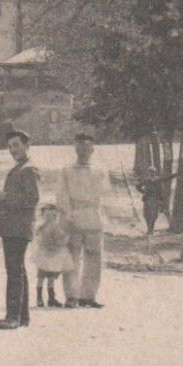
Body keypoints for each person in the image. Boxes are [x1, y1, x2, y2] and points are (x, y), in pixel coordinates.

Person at [0, 130, 41, 329]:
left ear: (27, 145)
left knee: (14, 271)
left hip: (19, 227)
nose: (13, 150)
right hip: (13, 227)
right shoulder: (20, 167)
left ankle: (13, 317)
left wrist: (4, 197)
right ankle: (22, 316)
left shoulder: (29, 169)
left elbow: (32, 199)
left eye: (17, 145)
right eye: (10, 146)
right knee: (17, 269)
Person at [58, 132, 111, 309]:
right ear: (75, 149)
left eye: (86, 148)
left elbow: (105, 193)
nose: (82, 152)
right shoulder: (66, 170)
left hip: (94, 217)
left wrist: (98, 211)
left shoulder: (100, 170)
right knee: (72, 257)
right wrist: (68, 215)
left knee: (94, 258)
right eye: (79, 148)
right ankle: (71, 296)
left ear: (92, 149)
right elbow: (61, 195)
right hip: (74, 217)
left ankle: (88, 296)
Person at [30, 202, 73, 308]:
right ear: (43, 216)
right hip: (51, 255)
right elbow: (61, 240)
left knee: (44, 277)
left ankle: (43, 299)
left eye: (54, 216)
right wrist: (67, 236)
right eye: (48, 216)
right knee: (49, 277)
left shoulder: (41, 228)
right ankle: (48, 299)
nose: (51, 218)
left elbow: (37, 239)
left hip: (44, 255)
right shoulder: (54, 228)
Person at [135, 166, 177, 235]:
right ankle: (149, 229)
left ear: (155, 172)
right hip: (147, 199)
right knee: (146, 214)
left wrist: (175, 174)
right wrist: (143, 192)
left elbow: (167, 178)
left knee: (154, 215)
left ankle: (152, 228)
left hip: (156, 199)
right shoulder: (146, 181)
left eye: (153, 172)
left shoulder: (158, 180)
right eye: (150, 172)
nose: (152, 173)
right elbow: (138, 186)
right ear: (149, 173)